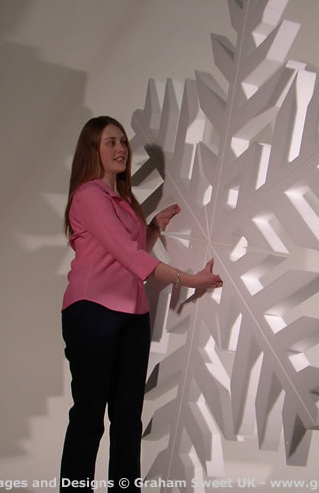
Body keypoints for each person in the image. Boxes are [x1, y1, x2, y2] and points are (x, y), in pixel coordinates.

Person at [60, 116, 222, 492]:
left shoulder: (124, 201)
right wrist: (191, 280)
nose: (120, 149)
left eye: (122, 143)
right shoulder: (88, 196)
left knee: (128, 418)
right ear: (93, 151)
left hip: (132, 314)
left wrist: (153, 228)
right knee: (89, 417)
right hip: (92, 312)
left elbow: (130, 253)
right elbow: (132, 259)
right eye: (110, 143)